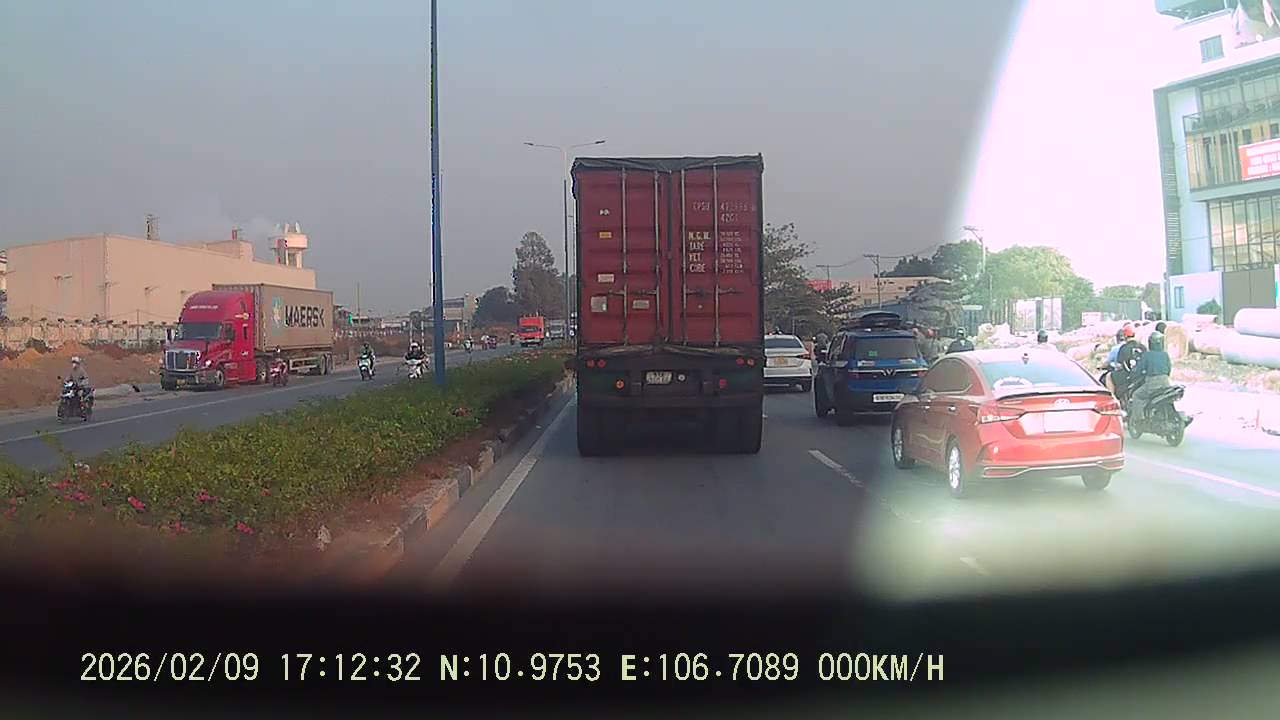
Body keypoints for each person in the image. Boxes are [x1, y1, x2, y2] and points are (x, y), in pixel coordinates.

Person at [1128, 332, 1172, 422]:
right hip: (1166, 383)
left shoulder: (1147, 355)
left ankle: (1139, 420)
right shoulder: (1165, 354)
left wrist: (1131, 375)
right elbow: (1169, 370)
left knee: (1136, 396)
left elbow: (1138, 370)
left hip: (1152, 384)